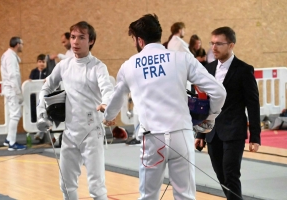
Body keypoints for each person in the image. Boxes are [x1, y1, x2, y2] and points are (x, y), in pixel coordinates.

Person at [103, 14, 226, 200]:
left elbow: (115, 101)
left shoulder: (129, 66)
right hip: (182, 136)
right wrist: (210, 117)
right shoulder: (182, 58)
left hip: (152, 139)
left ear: (139, 40)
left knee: (148, 196)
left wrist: (108, 117)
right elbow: (219, 92)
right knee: (185, 196)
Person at [37, 21, 113, 200]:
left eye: (81, 37)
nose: (75, 42)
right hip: (70, 133)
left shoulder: (98, 67)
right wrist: (42, 112)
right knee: (66, 184)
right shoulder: (64, 65)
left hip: (91, 132)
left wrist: (107, 105)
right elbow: (46, 87)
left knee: (96, 187)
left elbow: (107, 90)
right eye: (72, 37)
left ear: (91, 41)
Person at [195, 27, 261, 200]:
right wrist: (201, 133)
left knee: (231, 174)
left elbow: (253, 104)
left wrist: (255, 136)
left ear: (231, 45)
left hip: (234, 130)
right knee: (221, 176)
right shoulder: (207, 69)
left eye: (219, 44)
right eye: (212, 43)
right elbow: (205, 103)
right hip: (212, 132)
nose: (214, 47)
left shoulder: (244, 70)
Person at [1, 37, 26, 151]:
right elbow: (13, 76)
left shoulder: (7, 55)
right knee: (15, 115)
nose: (22, 46)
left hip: (9, 89)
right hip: (12, 89)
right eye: (22, 44)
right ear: (17, 44)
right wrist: (18, 92)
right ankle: (12, 143)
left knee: (13, 115)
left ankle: (8, 139)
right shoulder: (10, 56)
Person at [28, 54, 48, 140]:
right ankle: (37, 131)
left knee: (43, 115)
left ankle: (40, 133)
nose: (41, 64)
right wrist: (29, 81)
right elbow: (30, 81)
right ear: (37, 63)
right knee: (35, 114)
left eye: (43, 62)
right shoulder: (34, 72)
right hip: (34, 99)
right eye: (40, 62)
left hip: (44, 98)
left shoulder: (48, 72)